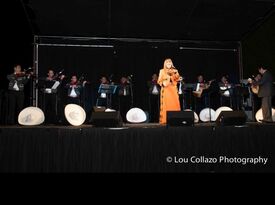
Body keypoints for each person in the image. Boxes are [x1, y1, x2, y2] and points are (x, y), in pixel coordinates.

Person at [157, 58, 181, 124]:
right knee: (166, 104)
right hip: (166, 90)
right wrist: (164, 82)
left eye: (170, 63)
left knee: (175, 103)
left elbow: (178, 78)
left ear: (171, 64)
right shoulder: (162, 71)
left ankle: (176, 119)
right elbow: (159, 81)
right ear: (165, 64)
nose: (169, 64)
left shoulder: (175, 70)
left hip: (173, 89)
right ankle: (165, 120)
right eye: (167, 63)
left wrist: (177, 77)